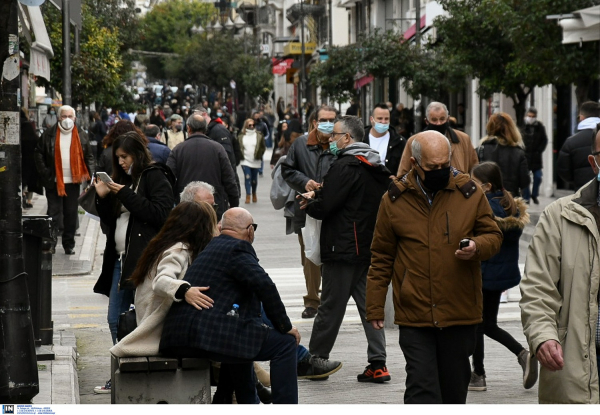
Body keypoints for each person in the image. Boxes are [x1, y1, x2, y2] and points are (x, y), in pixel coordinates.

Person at [366, 131, 503, 404]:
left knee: (453, 392)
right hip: (414, 311)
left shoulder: (469, 192)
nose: (440, 171)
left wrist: (477, 246)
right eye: (432, 167)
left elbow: (494, 236)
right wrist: (375, 306)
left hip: (459, 309)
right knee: (421, 390)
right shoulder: (394, 200)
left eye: (445, 165)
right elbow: (381, 255)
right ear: (416, 163)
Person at [160, 208, 301, 404]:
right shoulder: (237, 248)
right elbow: (265, 285)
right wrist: (285, 327)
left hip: (180, 336)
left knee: (240, 345)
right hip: (206, 336)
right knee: (284, 344)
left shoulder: (212, 247)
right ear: (250, 230)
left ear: (221, 228)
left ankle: (245, 403)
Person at [299, 115, 391, 383]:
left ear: (347, 138)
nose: (331, 139)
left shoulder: (344, 165)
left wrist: (310, 203)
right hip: (368, 246)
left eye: (335, 134)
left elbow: (328, 205)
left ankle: (315, 358)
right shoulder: (376, 165)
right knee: (369, 307)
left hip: (343, 247)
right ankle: (378, 362)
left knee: (330, 306)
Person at [520, 125, 600, 404]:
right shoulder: (560, 215)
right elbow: (537, 288)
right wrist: (543, 336)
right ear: (594, 162)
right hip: (576, 363)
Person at [92, 130, 174, 394]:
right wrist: (103, 195)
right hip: (118, 260)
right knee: (115, 319)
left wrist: (124, 193)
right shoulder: (121, 180)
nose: (122, 162)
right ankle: (121, 371)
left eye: (125, 157)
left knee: (143, 318)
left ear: (138, 154)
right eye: (118, 158)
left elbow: (161, 214)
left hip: (143, 260)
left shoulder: (154, 176)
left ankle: (138, 369)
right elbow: (109, 221)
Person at [109, 201, 217, 358]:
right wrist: (185, 291)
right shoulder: (179, 249)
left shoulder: (166, 244)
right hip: (158, 330)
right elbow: (161, 281)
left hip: (158, 325)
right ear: (200, 228)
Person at [468, 162, 537, 392]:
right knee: (487, 323)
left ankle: (478, 375)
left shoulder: (486, 208)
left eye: (475, 181)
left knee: (479, 324)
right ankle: (522, 354)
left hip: (486, 272)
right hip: (499, 275)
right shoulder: (508, 204)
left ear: (486, 186)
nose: (471, 184)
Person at [281, 106, 337, 319]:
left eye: (332, 120)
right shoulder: (300, 145)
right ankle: (312, 301)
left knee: (332, 255)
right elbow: (287, 170)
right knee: (310, 256)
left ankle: (330, 299)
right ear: (315, 122)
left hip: (333, 207)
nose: (328, 124)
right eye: (324, 119)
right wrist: (305, 183)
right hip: (306, 208)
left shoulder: (339, 144)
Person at [34, 105, 95, 255]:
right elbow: (38, 153)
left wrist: (91, 176)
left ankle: (69, 244)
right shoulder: (49, 134)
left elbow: (89, 156)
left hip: (73, 182)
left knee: (71, 214)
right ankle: (51, 242)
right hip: (54, 181)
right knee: (53, 213)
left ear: (75, 118)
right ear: (58, 117)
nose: (67, 120)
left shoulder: (81, 135)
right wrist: (46, 173)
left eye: (70, 116)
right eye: (64, 116)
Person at [167, 113, 239, 219]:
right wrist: (234, 203)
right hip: (213, 204)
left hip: (187, 205)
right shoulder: (217, 148)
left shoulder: (178, 150)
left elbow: (168, 178)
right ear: (205, 128)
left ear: (188, 128)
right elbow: (229, 178)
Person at [398, 101, 478, 176]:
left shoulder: (463, 139)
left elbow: (475, 171)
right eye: (434, 120)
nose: (438, 123)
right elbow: (403, 174)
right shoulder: (413, 142)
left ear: (448, 119)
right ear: (427, 121)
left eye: (442, 119)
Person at [477, 112, 530, 197]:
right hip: (510, 200)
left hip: (486, 201)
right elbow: (524, 182)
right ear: (511, 129)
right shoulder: (518, 153)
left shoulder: (481, 150)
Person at [557, 101, 600, 191]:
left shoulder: (571, 142)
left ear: (581, 117)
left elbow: (563, 170)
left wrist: (577, 179)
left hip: (582, 192)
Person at [363, 103, 407, 176]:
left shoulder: (399, 142)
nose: (383, 122)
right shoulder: (361, 138)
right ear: (371, 119)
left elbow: (405, 168)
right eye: (380, 118)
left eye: (386, 119)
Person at [520, 107, 548, 204]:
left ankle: (534, 195)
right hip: (525, 156)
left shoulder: (539, 127)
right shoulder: (522, 126)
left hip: (536, 157)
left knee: (538, 176)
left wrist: (539, 150)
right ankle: (526, 197)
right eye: (529, 116)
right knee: (525, 178)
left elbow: (544, 140)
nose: (531, 118)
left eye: (533, 116)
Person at [238, 119, 266, 204]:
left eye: (253, 125)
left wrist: (260, 154)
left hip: (255, 161)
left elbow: (262, 147)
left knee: (254, 180)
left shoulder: (258, 135)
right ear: (246, 125)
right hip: (245, 160)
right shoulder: (241, 136)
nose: (252, 127)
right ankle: (248, 195)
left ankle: (254, 193)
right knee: (247, 177)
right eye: (250, 125)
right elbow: (239, 147)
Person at [21, 108, 43, 209]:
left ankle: (22, 196)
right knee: (30, 180)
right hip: (30, 160)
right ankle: (28, 200)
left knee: (22, 180)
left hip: (20, 160)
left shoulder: (20, 126)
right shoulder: (28, 125)